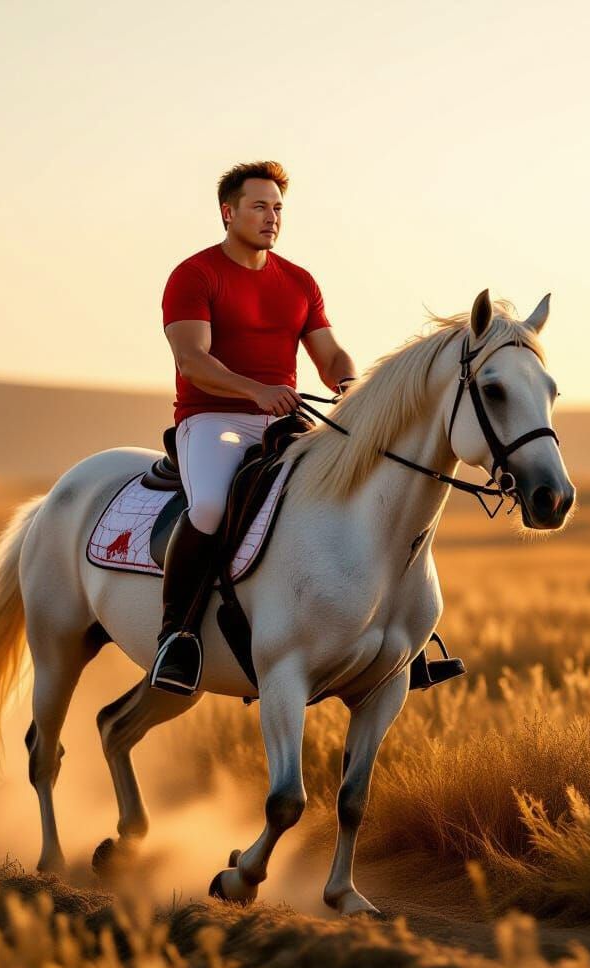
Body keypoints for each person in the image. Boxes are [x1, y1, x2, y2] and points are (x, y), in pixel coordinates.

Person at [150, 160, 358, 695]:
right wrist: (256, 390)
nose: (272, 218)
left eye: (278, 208)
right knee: (211, 506)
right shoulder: (194, 275)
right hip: (211, 419)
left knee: (355, 489)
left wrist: (349, 384)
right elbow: (193, 360)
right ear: (229, 212)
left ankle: (383, 635)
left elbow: (329, 354)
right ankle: (176, 637)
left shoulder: (299, 281)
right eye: (260, 206)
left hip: (284, 421)